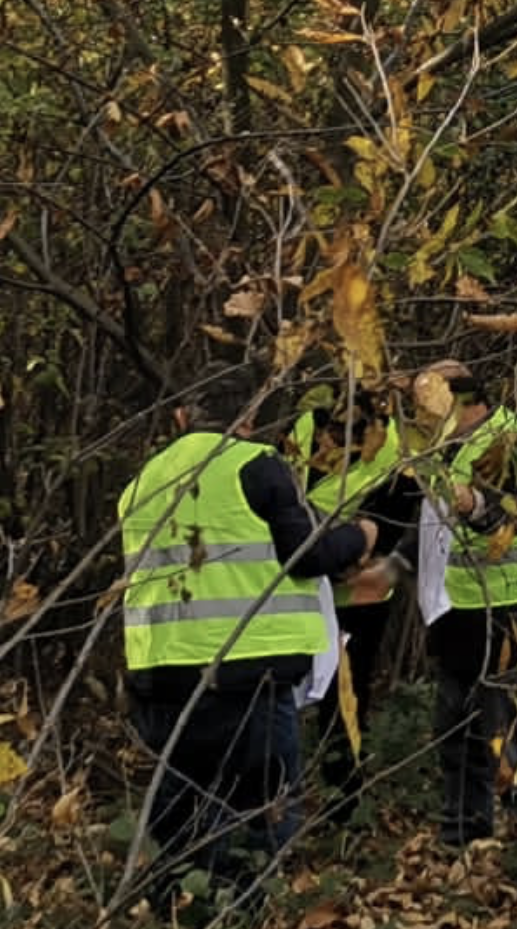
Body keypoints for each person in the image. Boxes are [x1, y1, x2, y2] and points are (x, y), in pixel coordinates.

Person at [117, 367, 382, 902]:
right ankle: (245, 912)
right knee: (266, 804)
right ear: (252, 417)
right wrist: (363, 534)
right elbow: (309, 558)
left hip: (158, 676)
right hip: (248, 673)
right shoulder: (256, 467)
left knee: (186, 800)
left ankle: (178, 903)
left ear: (180, 417)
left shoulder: (141, 483)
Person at [415, 366, 517, 846]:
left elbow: (503, 517)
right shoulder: (447, 446)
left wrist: (467, 501)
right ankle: (463, 836)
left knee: (514, 735)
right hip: (461, 612)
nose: (423, 418)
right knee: (456, 728)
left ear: (459, 402)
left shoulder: (513, 442)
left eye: (430, 405)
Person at [303, 383, 421, 815]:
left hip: (360, 594)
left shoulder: (395, 449)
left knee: (345, 703)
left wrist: (371, 558)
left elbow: (399, 517)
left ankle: (342, 806)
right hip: (302, 587)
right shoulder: (303, 430)